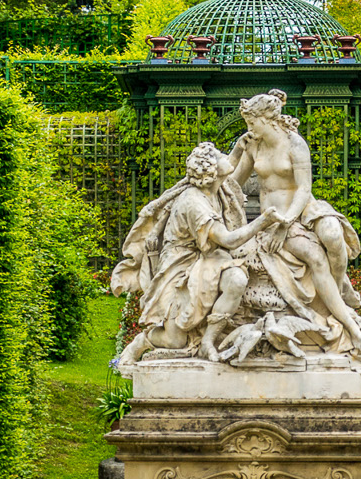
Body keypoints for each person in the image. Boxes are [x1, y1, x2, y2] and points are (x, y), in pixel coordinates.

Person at [223, 92, 361, 362]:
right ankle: (346, 323)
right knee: (315, 257)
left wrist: (287, 223)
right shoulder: (253, 145)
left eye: (252, 122)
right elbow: (232, 184)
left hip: (301, 210)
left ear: (267, 119)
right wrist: (236, 151)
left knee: (332, 234)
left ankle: (338, 295)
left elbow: (304, 188)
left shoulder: (294, 143)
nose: (249, 128)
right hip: (273, 219)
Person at [111, 143, 263, 365]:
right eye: (221, 155)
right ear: (210, 170)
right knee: (174, 340)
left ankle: (208, 342)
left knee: (237, 279)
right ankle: (141, 341)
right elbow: (228, 240)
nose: (227, 157)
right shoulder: (193, 202)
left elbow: (231, 165)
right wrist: (264, 221)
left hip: (210, 258)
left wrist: (242, 147)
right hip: (181, 266)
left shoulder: (219, 188)